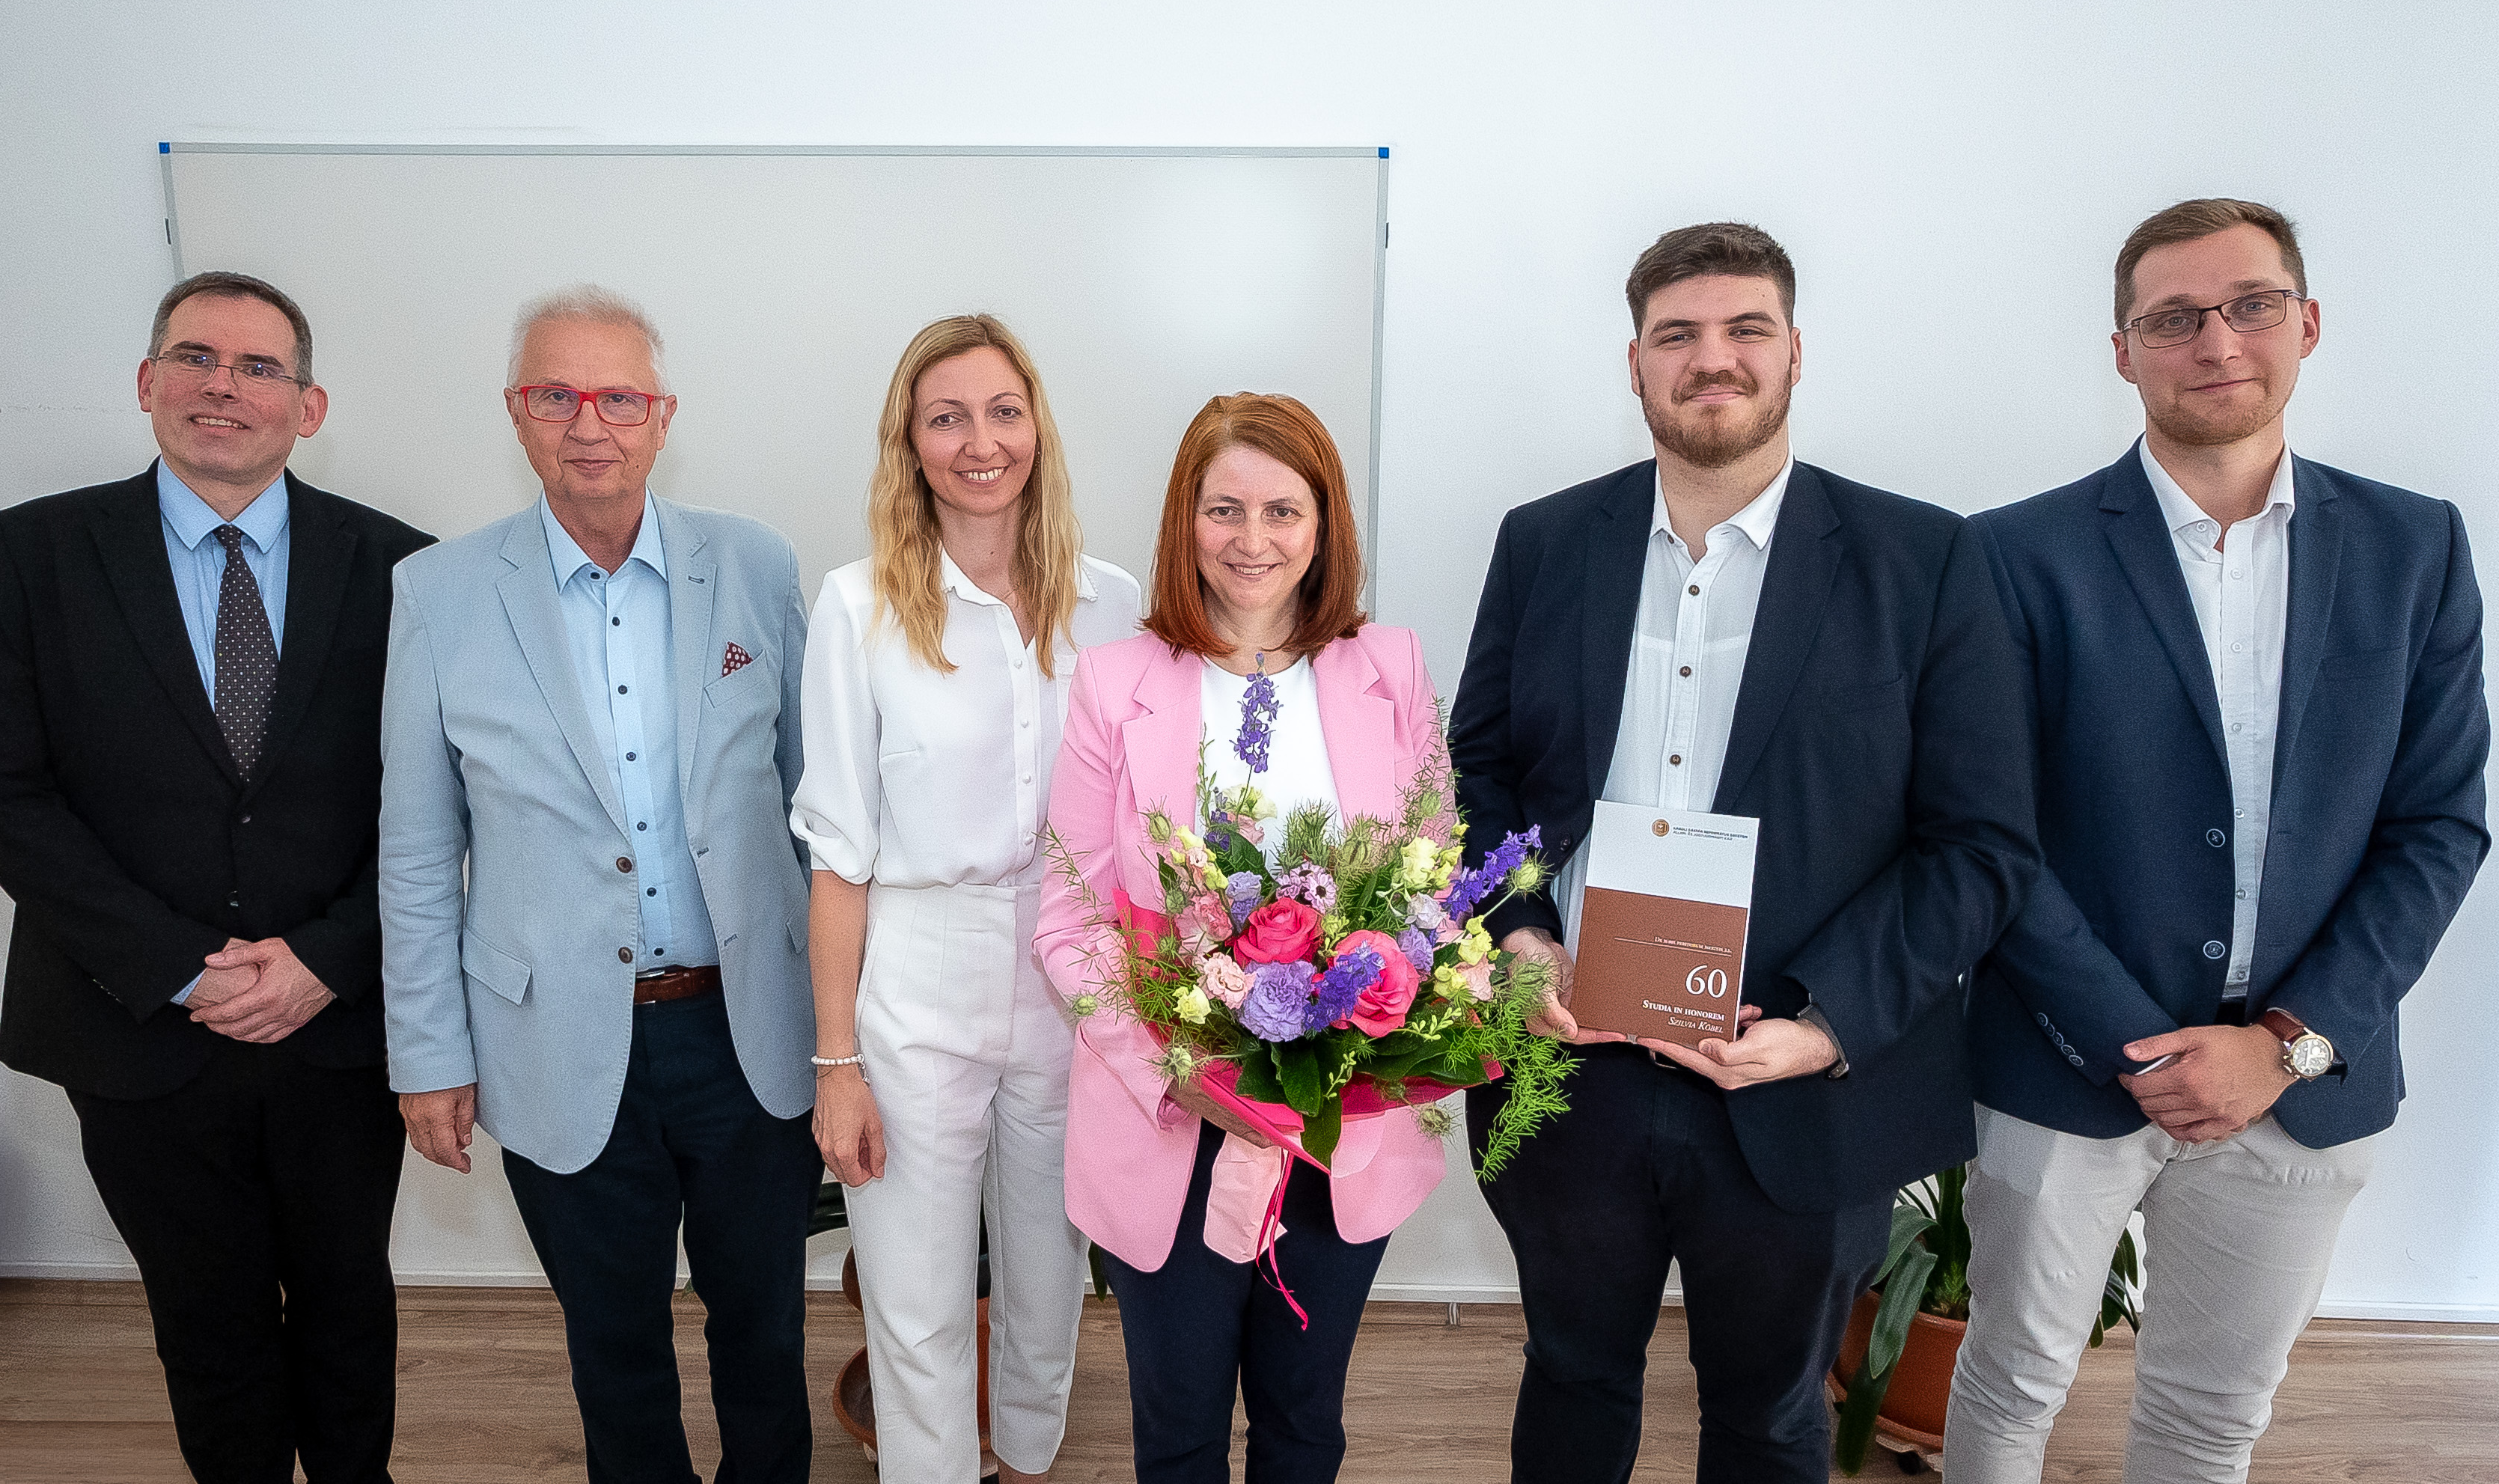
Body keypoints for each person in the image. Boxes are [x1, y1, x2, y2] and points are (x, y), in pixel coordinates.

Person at [1447, 222, 2041, 1483]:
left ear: (1795, 352)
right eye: (1678, 334)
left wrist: (1828, 1025)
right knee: (1571, 1373)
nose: (1711, 359)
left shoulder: (1925, 559)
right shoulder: (1545, 541)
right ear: (1636, 363)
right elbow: (1478, 772)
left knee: (1772, 1418)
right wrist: (1517, 933)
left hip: (1798, 1078)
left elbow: (1979, 844)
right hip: (1571, 1062)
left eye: (1744, 329)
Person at [1946, 199, 2489, 1482]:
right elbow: (1986, 830)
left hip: (2303, 1080)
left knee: (2210, 1417)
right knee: (2011, 1385)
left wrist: (2286, 1044)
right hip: (2064, 1061)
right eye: (2175, 317)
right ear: (2122, 350)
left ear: (2308, 322)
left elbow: (2438, 824)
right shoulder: (2010, 555)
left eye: (2251, 305)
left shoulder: (2415, 545)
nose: (2218, 340)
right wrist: (2137, 1046)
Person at [0, 272, 433, 1484]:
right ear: (147, 381)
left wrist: (325, 956)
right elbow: (0, 792)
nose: (225, 385)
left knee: (348, 1308)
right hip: (133, 1025)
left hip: (336, 1024)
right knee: (206, 1320)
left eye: (259, 366)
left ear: (309, 406)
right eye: (196, 356)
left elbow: (433, 806)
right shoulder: (32, 553)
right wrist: (178, 967)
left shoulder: (405, 570)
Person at [377, 284, 823, 1484]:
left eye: (619, 396)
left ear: (662, 414)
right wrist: (428, 1055)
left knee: (766, 1333)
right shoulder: (438, 593)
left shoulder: (757, 564)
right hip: (557, 1039)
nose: (589, 423)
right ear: (516, 412)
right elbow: (416, 850)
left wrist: (846, 1034)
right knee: (614, 1349)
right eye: (556, 394)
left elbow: (818, 812)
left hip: (748, 1031)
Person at [1034, 393, 1447, 1484]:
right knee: (1177, 1436)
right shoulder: (1114, 682)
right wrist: (1180, 1069)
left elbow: (1437, 884)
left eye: (1282, 510)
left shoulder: (1391, 668)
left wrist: (1383, 1022)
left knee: (1304, 1426)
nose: (1251, 539)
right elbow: (1070, 917)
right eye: (1224, 509)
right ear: (1186, 518)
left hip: (1342, 1122)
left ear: (1324, 524)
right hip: (1170, 1123)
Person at [792, 315, 1140, 1483]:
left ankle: (1028, 1460)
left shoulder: (1109, 601)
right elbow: (837, 853)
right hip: (918, 974)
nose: (980, 441)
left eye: (1002, 411)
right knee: (916, 1295)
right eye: (947, 417)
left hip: (1069, 972)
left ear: (1037, 427)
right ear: (911, 441)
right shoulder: (857, 608)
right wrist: (836, 1064)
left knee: (1049, 1276)